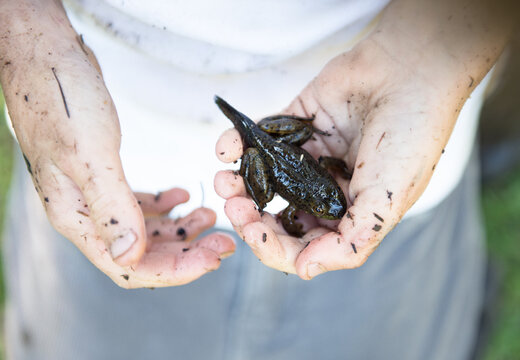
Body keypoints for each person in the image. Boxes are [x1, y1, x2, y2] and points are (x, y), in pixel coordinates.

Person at [0, 0, 515, 359]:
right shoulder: (327, 187)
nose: (336, 206)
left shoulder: (331, 185)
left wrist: (432, 58)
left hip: (391, 131)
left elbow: (297, 204)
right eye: (335, 205)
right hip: (109, 159)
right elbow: (294, 207)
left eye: (336, 206)